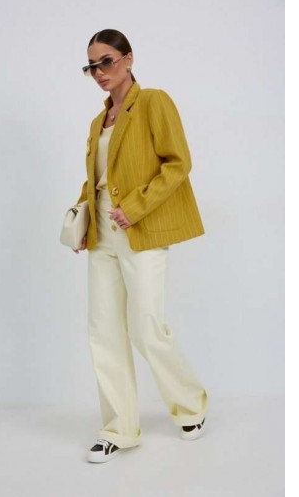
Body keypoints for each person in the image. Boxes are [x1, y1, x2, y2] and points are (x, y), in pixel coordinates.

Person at [72, 29, 208, 464]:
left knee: (146, 326)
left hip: (141, 229)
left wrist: (135, 207)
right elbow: (96, 180)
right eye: (92, 66)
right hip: (103, 235)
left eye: (107, 61)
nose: (99, 72)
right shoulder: (98, 122)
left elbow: (178, 162)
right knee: (104, 330)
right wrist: (82, 221)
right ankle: (119, 428)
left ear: (128, 59)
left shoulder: (153, 102)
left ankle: (190, 404)